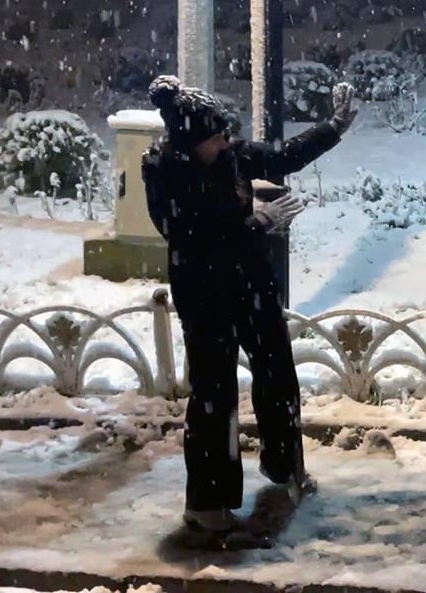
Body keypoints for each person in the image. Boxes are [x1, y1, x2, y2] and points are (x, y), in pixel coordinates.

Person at [142, 75, 358, 533]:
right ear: (190, 140)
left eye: (225, 131)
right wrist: (255, 223)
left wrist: (333, 128)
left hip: (249, 283)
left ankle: (284, 467)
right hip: (204, 295)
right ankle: (207, 503)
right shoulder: (167, 173)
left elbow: (281, 157)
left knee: (278, 372)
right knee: (214, 395)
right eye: (215, 135)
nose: (226, 140)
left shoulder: (228, 154)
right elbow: (190, 235)